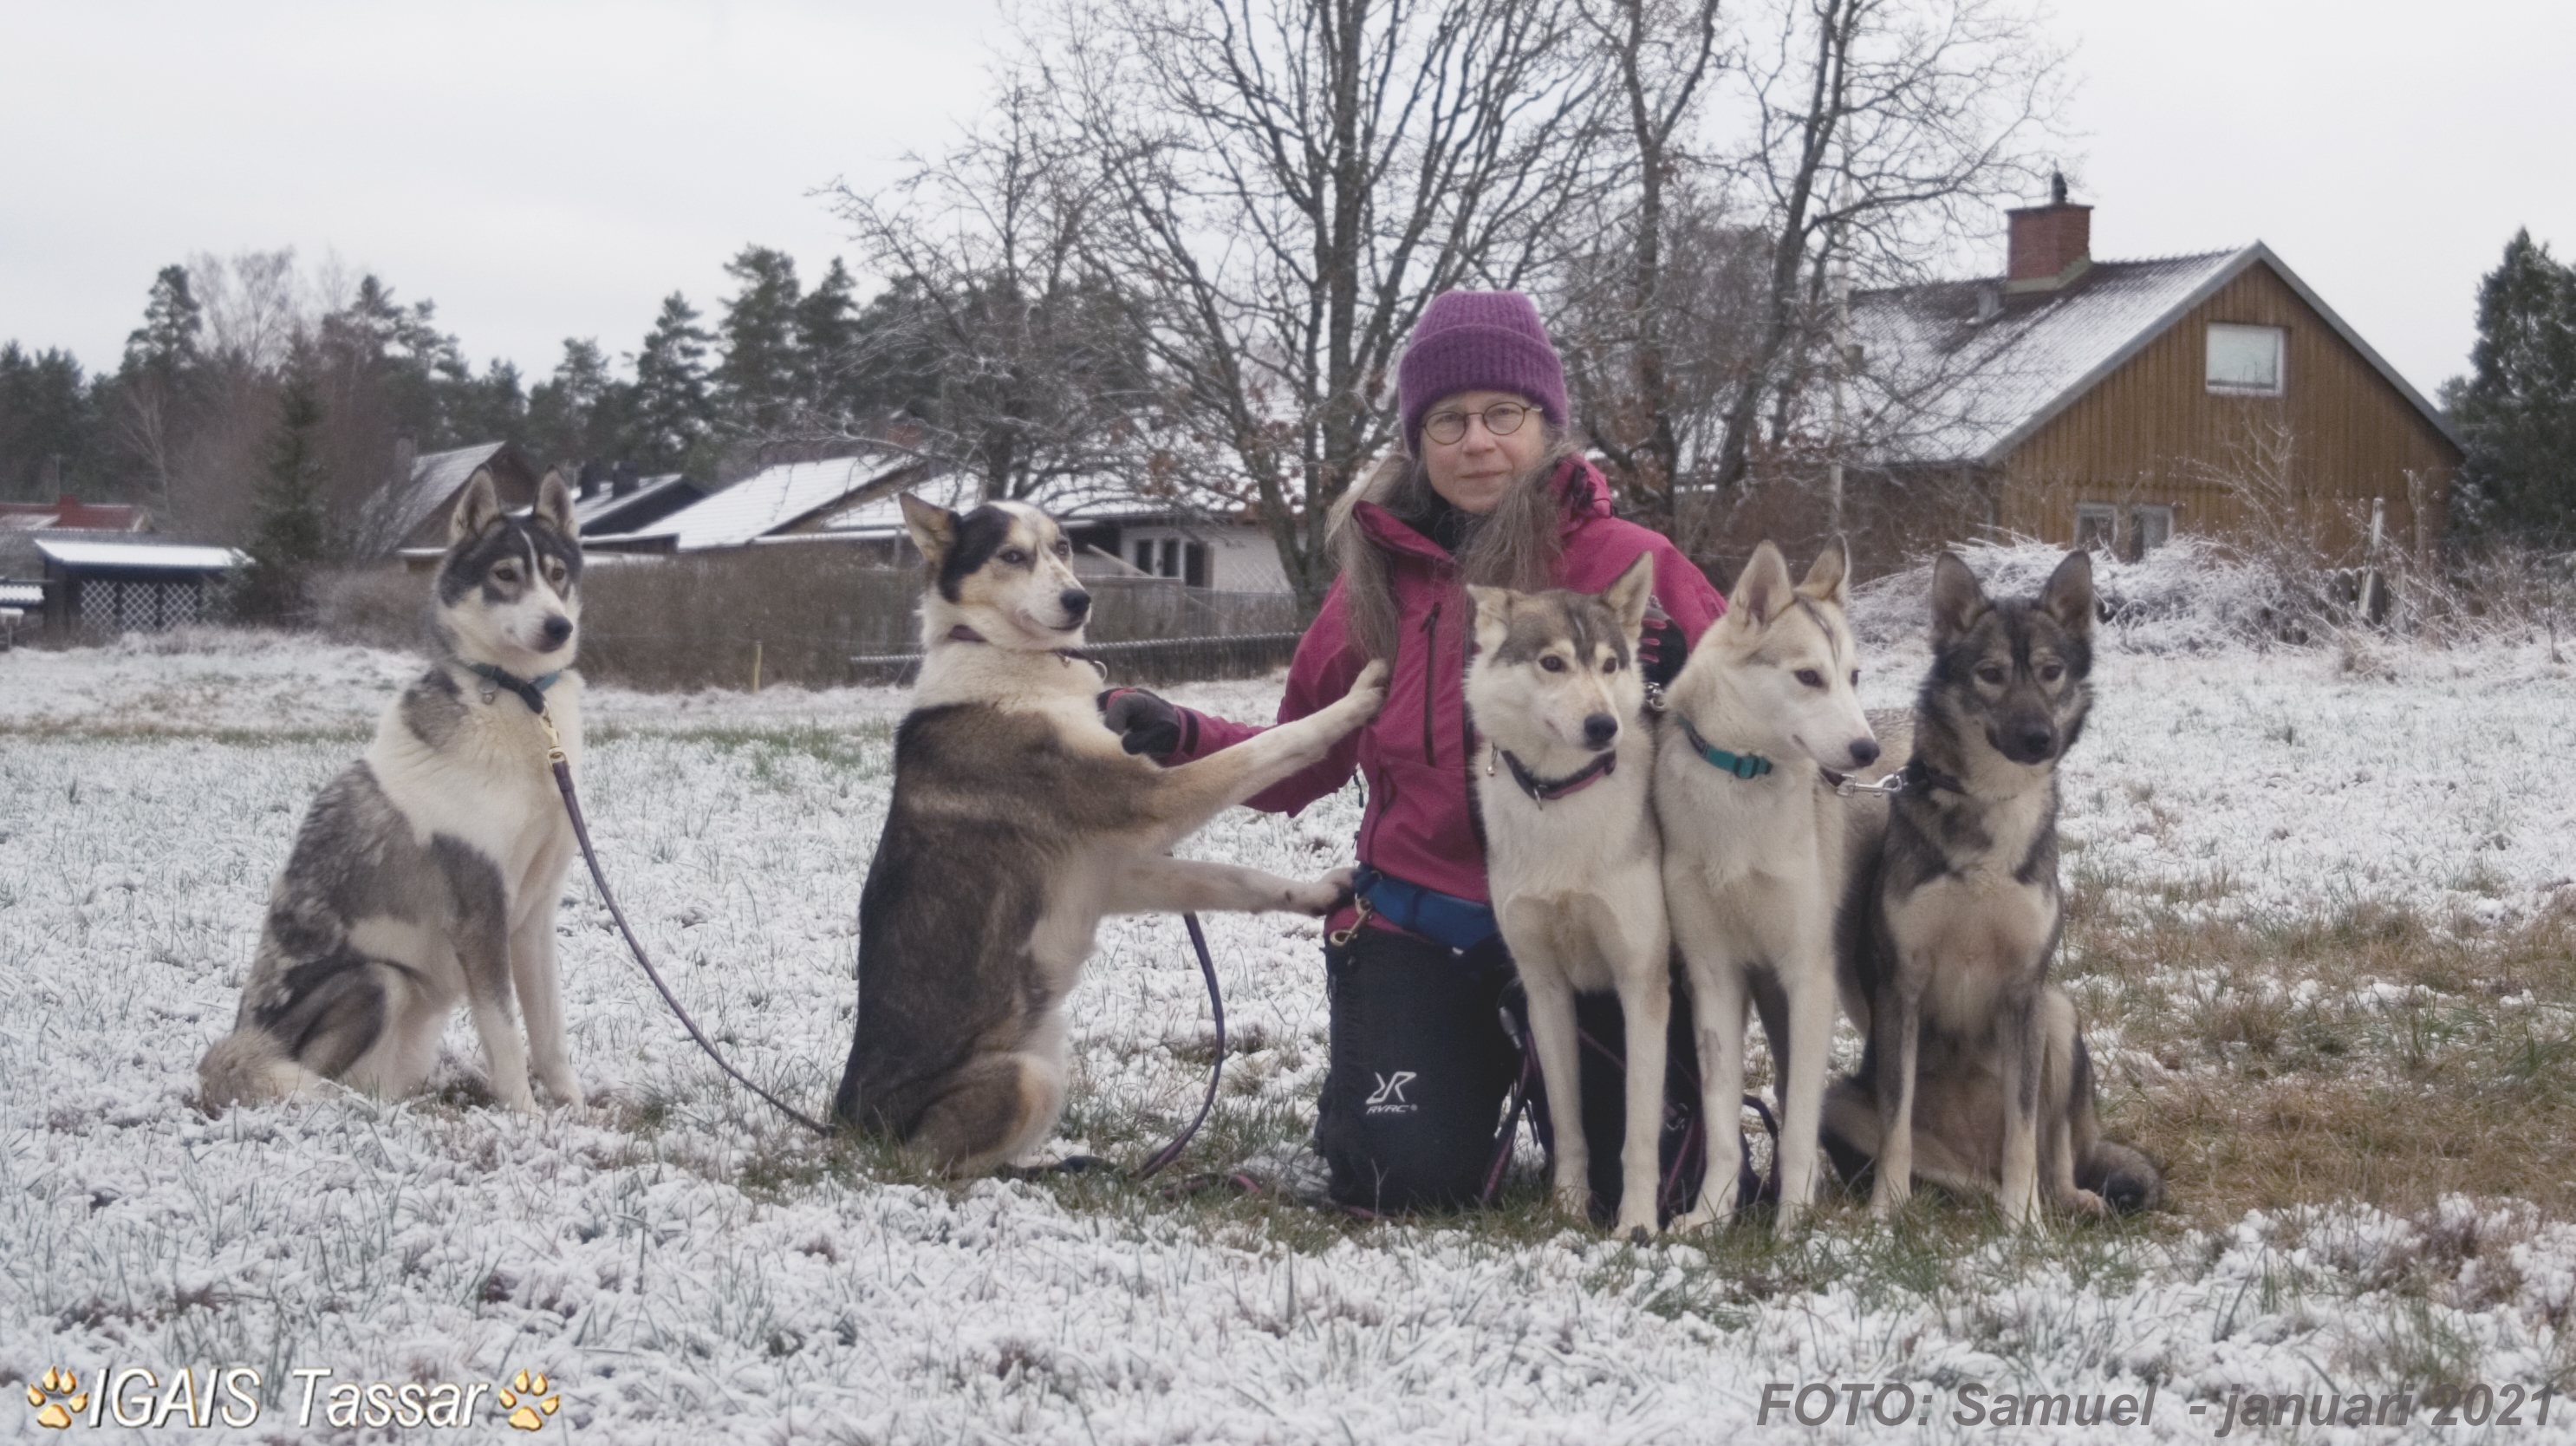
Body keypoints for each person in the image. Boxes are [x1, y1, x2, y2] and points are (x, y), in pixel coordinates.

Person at [1106, 290, 1725, 1215]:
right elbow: (1305, 758)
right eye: (1447, 419)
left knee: (1660, 1192)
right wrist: (1181, 738)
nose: (1476, 441)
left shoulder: (1631, 565)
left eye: (1501, 414)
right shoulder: (1376, 585)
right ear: (1416, 438)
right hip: (1424, 926)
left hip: (1592, 923)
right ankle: (1418, 1083)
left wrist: (1681, 696)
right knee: (1403, 1181)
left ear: (1546, 426)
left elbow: (1749, 734)